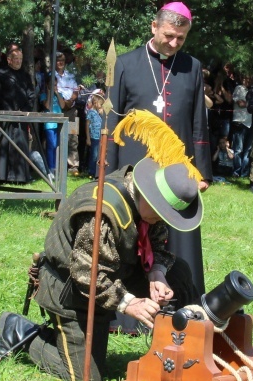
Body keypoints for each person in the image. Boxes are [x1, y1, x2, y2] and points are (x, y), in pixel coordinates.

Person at [0, 156, 203, 381]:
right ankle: (16, 330)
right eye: (159, 213)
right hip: (72, 290)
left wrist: (157, 273)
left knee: (179, 272)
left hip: (114, 275)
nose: (160, 220)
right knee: (85, 378)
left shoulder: (147, 202)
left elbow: (156, 241)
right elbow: (86, 273)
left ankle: (184, 351)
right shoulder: (102, 213)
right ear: (148, 194)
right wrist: (129, 303)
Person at [106, 2, 212, 294]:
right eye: (169, 35)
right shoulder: (126, 64)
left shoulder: (192, 67)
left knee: (178, 230)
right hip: (134, 163)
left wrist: (201, 172)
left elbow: (198, 123)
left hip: (178, 166)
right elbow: (111, 122)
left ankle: (180, 297)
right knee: (131, 232)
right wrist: (108, 172)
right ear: (154, 27)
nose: (174, 42)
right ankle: (131, 306)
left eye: (181, 38)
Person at [0, 47, 35, 183]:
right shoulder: (1, 74)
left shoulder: (25, 76)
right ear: (9, 60)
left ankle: (20, 177)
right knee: (4, 145)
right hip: (4, 116)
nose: (19, 62)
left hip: (20, 117)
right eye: (16, 59)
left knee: (20, 145)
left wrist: (24, 110)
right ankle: (2, 176)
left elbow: (31, 95)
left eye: (20, 59)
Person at [55, 51, 81, 176]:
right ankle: (58, 165)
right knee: (57, 137)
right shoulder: (52, 76)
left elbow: (75, 90)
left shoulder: (70, 75)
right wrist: (64, 102)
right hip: (58, 110)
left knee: (73, 137)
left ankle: (73, 165)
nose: (60, 63)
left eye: (62, 61)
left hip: (71, 110)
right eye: (58, 60)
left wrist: (71, 100)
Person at [39, 74, 66, 177]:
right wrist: (49, 93)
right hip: (49, 123)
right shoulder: (44, 95)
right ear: (47, 85)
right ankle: (50, 168)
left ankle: (55, 167)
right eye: (51, 85)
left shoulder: (59, 94)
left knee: (56, 145)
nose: (54, 86)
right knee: (51, 145)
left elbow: (63, 106)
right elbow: (47, 105)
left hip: (58, 122)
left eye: (55, 84)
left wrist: (57, 93)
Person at [231, 74, 253, 177]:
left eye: (250, 78)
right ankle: (236, 172)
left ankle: (244, 173)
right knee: (238, 150)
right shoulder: (239, 88)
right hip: (240, 122)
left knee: (248, 150)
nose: (248, 80)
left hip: (250, 123)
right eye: (246, 78)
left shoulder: (251, 90)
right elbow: (240, 103)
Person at [85, 90, 104, 178]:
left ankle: (98, 172)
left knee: (100, 154)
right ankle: (91, 172)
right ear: (95, 103)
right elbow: (87, 124)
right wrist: (88, 138)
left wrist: (102, 113)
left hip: (100, 136)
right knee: (94, 155)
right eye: (101, 104)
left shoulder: (100, 113)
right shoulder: (91, 112)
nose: (101, 106)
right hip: (94, 137)